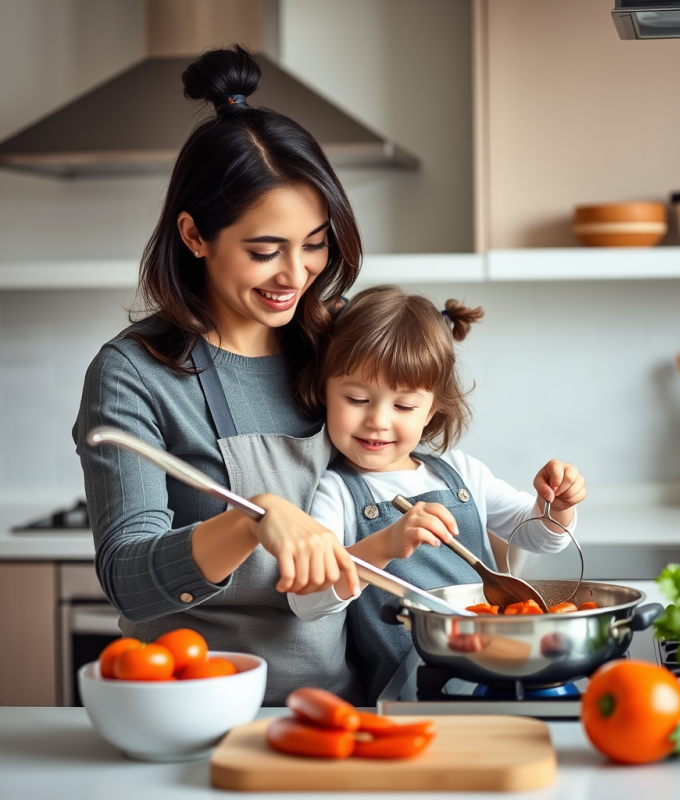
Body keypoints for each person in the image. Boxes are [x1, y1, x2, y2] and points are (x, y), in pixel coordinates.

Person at [72, 45, 365, 705]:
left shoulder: (334, 345)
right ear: (195, 236)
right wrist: (252, 518)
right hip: (193, 712)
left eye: (315, 243)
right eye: (266, 251)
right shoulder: (134, 375)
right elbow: (128, 579)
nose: (297, 275)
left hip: (335, 711)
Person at [288, 285, 587, 703]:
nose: (377, 420)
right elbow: (308, 602)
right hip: (408, 690)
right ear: (324, 391)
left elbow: (540, 537)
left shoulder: (460, 473)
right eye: (357, 398)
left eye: (404, 407)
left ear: (431, 410)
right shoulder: (335, 491)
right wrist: (386, 543)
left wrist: (557, 503)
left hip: (497, 669)